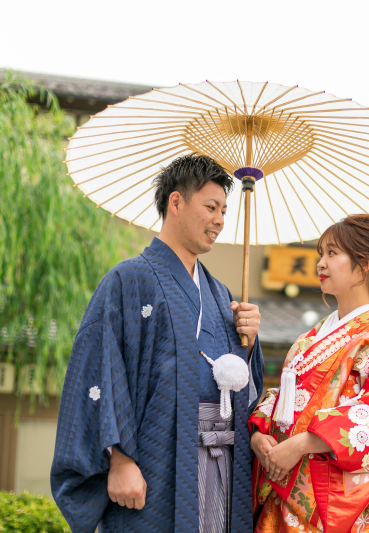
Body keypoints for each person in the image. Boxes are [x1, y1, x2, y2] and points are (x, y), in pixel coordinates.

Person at [51, 154, 265, 533]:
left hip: (222, 464)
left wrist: (246, 345)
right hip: (155, 461)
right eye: (211, 207)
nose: (219, 220)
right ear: (176, 203)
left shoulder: (221, 294)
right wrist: (117, 459)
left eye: (224, 210)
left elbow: (238, 387)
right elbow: (99, 370)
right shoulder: (128, 280)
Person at [248, 214, 369, 533]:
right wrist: (259, 435)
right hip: (281, 484)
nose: (321, 263)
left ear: (363, 265)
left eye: (332, 253)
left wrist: (301, 444)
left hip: (323, 493)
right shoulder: (313, 335)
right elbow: (286, 397)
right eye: (321, 253)